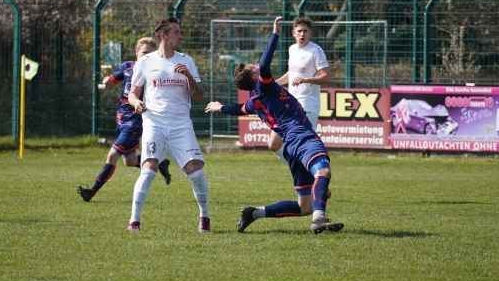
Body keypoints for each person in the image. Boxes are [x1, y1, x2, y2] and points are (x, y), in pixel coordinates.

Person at [205, 17, 343, 234]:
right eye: (253, 68)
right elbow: (265, 62)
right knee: (323, 171)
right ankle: (319, 219)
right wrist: (275, 33)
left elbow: (237, 109)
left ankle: (254, 213)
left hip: (289, 145)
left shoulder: (253, 102)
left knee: (304, 205)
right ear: (254, 77)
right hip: (299, 134)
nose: (256, 66)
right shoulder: (265, 85)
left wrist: (220, 107)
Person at [126, 17, 211, 232]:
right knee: (148, 169)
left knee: (197, 172)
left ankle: (205, 217)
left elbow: (199, 96)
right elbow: (133, 93)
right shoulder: (146, 62)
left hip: (181, 125)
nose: (181, 36)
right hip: (154, 123)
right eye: (176, 32)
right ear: (163, 36)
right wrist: (136, 103)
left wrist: (189, 76)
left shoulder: (187, 60)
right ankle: (134, 222)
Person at [77, 37, 172, 202]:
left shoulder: (156, 73)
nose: (147, 57)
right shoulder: (127, 66)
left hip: (135, 121)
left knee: (112, 156)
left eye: (151, 54)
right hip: (121, 118)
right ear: (137, 52)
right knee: (130, 161)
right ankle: (161, 163)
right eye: (144, 53)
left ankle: (91, 191)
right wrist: (108, 81)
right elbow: (113, 80)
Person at [269, 17, 332, 163]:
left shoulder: (315, 51)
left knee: (302, 146)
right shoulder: (292, 49)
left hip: (307, 105)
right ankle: (305, 172)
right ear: (293, 33)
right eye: (299, 31)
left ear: (311, 33)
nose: (302, 34)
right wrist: (275, 84)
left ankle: (313, 174)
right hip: (289, 105)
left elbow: (327, 78)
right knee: (274, 144)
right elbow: (293, 73)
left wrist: (306, 79)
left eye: (305, 31)